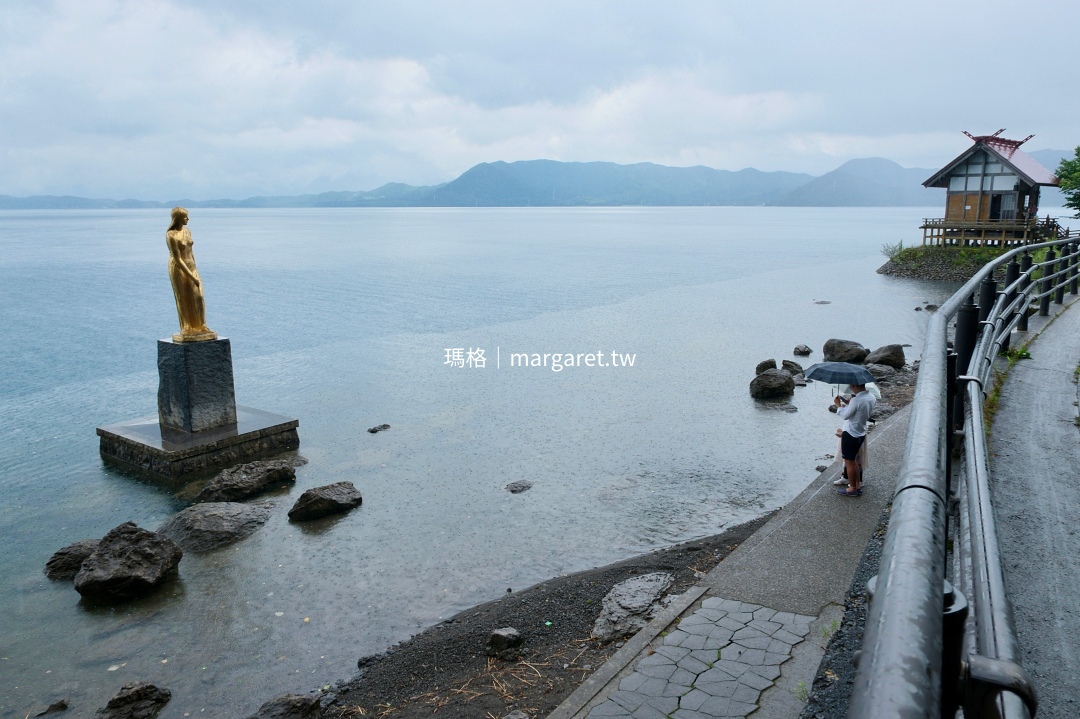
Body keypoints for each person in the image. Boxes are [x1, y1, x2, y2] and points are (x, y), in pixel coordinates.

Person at [166, 207, 217, 342]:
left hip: (191, 266)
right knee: (182, 298)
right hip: (178, 268)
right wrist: (191, 276)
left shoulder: (188, 231)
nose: (188, 219)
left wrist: (195, 269)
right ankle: (186, 327)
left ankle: (202, 325)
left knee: (198, 296)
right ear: (177, 218)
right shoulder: (171, 235)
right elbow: (177, 258)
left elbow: (191, 252)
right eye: (185, 217)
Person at [833, 383, 876, 497]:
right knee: (855, 461)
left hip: (850, 433)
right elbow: (860, 412)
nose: (851, 387)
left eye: (851, 385)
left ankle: (852, 488)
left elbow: (845, 416)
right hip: (861, 431)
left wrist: (838, 405)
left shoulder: (856, 400)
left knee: (849, 462)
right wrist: (848, 404)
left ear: (855, 385)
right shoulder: (871, 397)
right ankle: (857, 485)